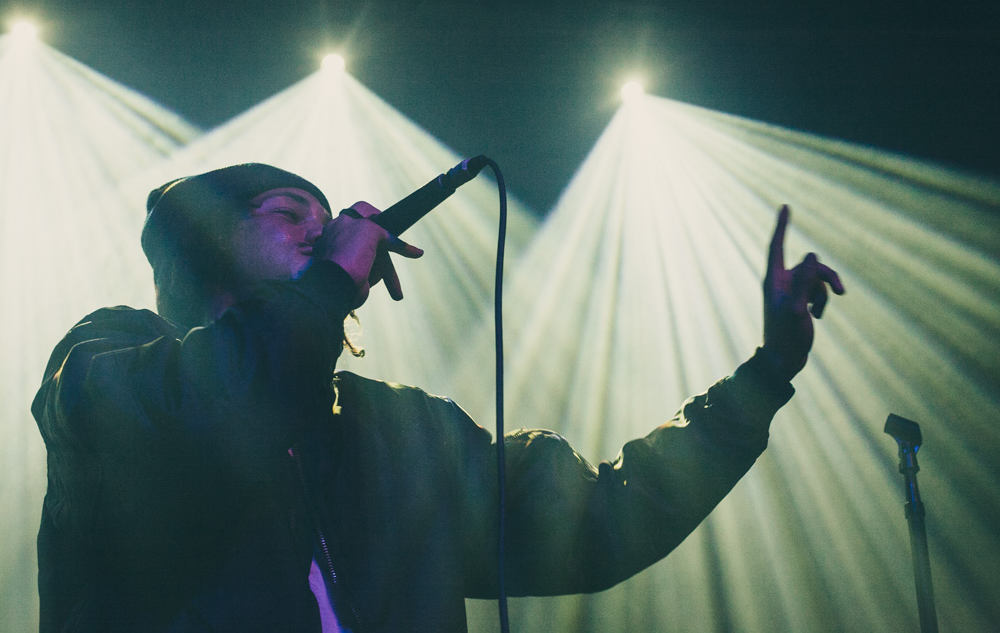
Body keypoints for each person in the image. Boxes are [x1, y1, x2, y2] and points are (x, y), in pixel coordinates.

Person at [32, 163, 844, 632]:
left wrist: (765, 376)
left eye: (330, 219)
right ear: (203, 241)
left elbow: (601, 516)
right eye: (289, 214)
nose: (325, 230)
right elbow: (215, 407)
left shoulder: (396, 431)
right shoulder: (107, 359)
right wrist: (322, 290)